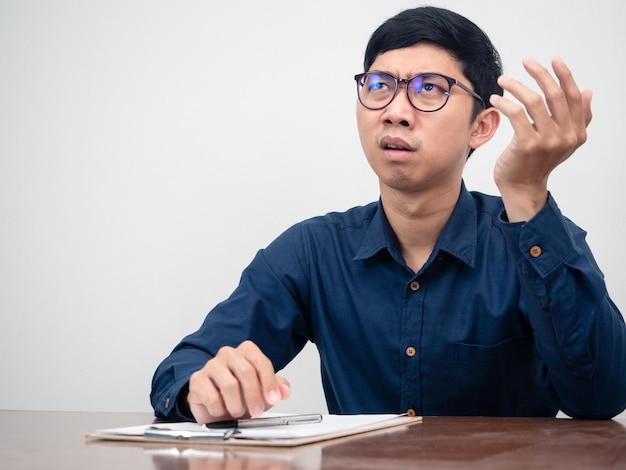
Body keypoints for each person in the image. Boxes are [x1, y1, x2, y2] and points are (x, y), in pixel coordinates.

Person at [151, 6, 626, 422]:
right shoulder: (313, 250)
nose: (395, 111)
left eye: (429, 89)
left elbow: (603, 395)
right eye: (379, 86)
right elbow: (182, 369)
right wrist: (203, 389)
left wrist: (525, 192)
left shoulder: (532, 237)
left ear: (481, 127)